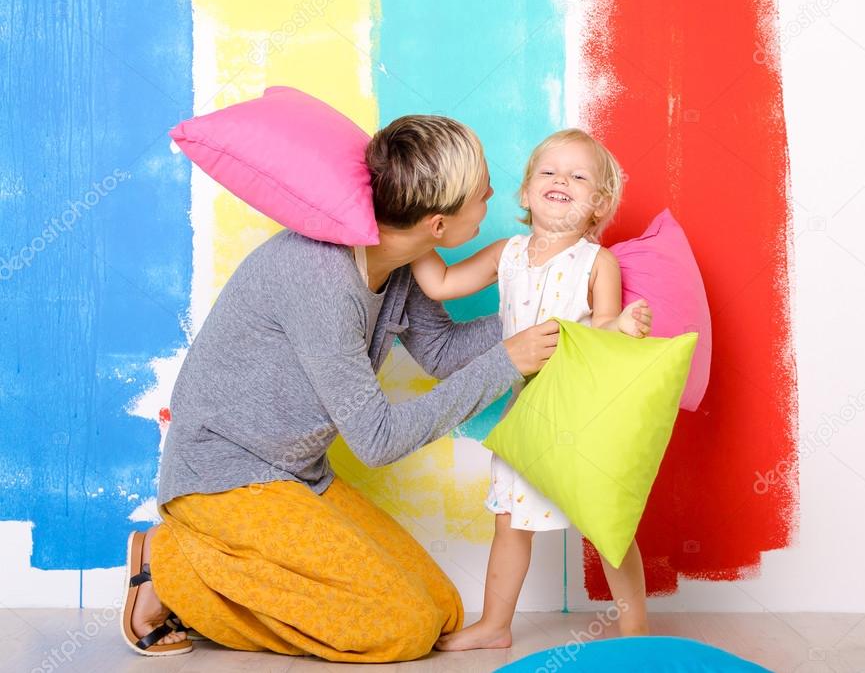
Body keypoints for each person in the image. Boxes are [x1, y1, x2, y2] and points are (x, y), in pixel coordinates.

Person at [119, 115, 594, 662]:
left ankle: (204, 558)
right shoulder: (320, 279)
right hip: (222, 477)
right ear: (437, 224)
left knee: (441, 610)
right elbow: (376, 441)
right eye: (480, 191)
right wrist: (506, 362)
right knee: (402, 630)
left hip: (300, 475)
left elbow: (439, 352)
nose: (492, 192)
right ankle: (172, 565)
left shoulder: (397, 256)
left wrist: (547, 312)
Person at [409, 128, 653, 651]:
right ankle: (496, 625)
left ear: (598, 205)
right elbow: (441, 285)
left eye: (578, 175)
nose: (561, 179)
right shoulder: (508, 254)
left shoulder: (596, 263)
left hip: (582, 414)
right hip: (526, 415)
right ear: (525, 193)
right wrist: (410, 232)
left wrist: (625, 326)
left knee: (607, 525)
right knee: (509, 522)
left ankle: (636, 631)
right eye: (549, 171)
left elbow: (603, 331)